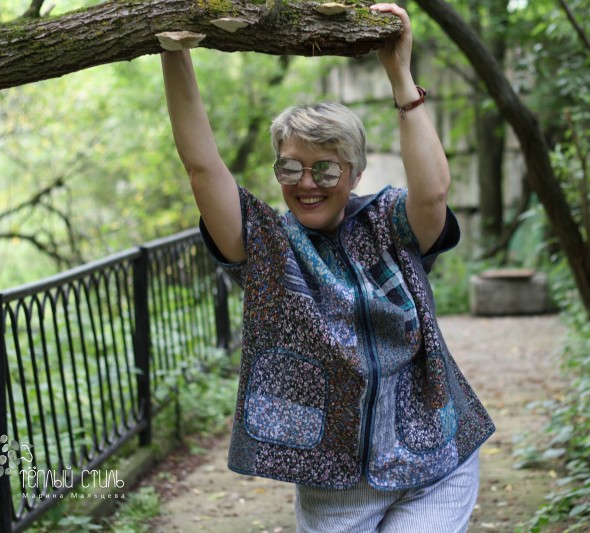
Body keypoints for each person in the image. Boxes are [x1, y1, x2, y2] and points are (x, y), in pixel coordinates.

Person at [159, 4, 494, 531]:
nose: (305, 182)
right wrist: (174, 52)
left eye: (325, 168)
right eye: (290, 166)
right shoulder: (267, 244)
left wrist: (399, 72)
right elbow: (203, 167)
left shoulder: (388, 222)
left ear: (354, 173)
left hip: (435, 458)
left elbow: (433, 192)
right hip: (334, 486)